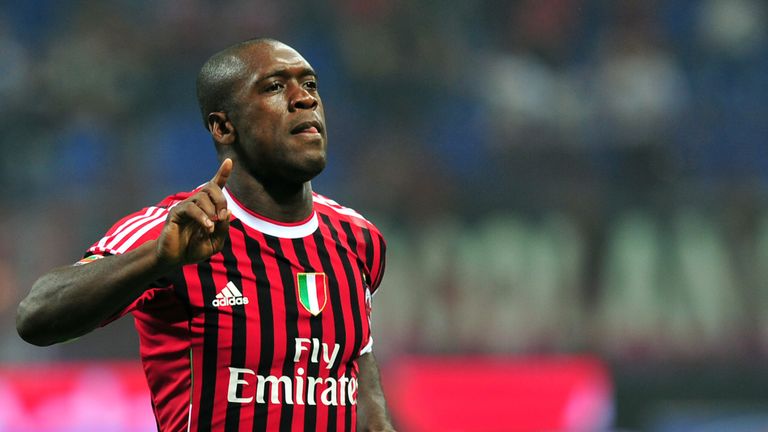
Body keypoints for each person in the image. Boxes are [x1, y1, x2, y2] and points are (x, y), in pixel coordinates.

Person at [16, 38, 395, 432]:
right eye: (275, 86)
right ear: (222, 125)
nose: (304, 99)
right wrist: (157, 261)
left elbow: (362, 397)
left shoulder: (358, 240)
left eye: (311, 85)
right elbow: (36, 316)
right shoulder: (179, 228)